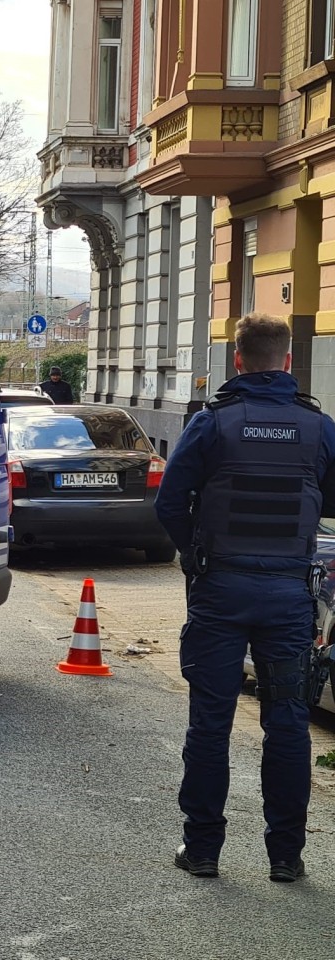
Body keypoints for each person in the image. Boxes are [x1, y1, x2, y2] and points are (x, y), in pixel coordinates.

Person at [155, 312, 335, 883]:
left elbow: (169, 503)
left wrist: (194, 556)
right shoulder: (320, 428)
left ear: (236, 360)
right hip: (287, 596)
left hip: (221, 592)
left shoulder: (213, 424)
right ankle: (286, 857)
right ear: (287, 361)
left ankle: (202, 849)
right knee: (286, 722)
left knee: (210, 722)